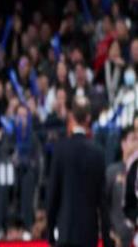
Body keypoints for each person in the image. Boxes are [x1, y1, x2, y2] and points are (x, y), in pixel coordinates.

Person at [47, 96, 111, 247]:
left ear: (72, 116)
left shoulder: (60, 150)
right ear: (88, 118)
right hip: (88, 236)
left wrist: (50, 233)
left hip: (65, 234)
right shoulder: (98, 153)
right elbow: (103, 202)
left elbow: (52, 195)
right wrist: (107, 239)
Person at [106, 126, 137, 247]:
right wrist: (109, 232)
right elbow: (103, 204)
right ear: (123, 144)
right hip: (116, 237)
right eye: (134, 139)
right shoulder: (112, 171)